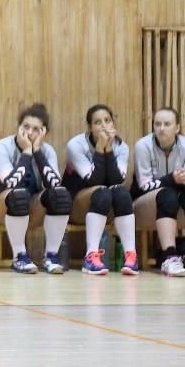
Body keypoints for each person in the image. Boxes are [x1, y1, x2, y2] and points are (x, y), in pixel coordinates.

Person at [0, 103, 72, 274]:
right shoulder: (2, 147)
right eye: (26, 126)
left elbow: (54, 184)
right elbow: (11, 182)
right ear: (19, 127)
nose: (29, 132)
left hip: (30, 206)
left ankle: (51, 256)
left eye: (36, 129)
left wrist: (37, 152)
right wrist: (27, 152)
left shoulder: (47, 151)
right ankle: (19, 257)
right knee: (18, 194)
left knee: (60, 195)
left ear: (44, 132)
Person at [131, 107, 185, 278]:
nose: (161, 128)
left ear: (177, 128)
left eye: (167, 124)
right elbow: (144, 186)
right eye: (157, 124)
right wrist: (171, 179)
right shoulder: (143, 146)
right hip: (142, 201)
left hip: (172, 196)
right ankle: (169, 257)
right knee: (168, 195)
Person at [62, 104, 137, 276]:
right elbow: (93, 180)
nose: (104, 126)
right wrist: (99, 148)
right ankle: (91, 256)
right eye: (97, 122)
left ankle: (131, 255)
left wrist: (108, 149)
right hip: (77, 201)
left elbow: (117, 180)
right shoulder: (76, 145)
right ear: (89, 127)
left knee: (122, 193)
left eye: (107, 120)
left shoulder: (121, 147)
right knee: (102, 192)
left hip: (106, 199)